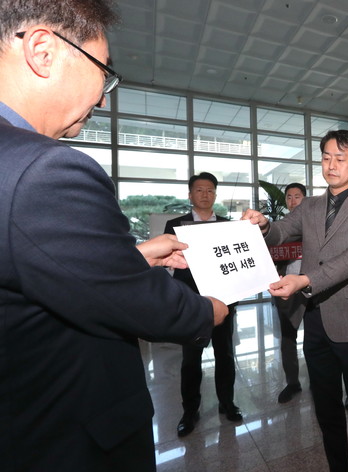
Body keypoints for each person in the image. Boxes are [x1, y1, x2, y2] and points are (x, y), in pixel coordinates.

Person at [0, 2, 229, 470]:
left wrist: (135, 255)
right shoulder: (43, 169)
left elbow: (39, 263)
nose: (103, 99)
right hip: (71, 436)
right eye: (102, 73)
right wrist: (208, 311)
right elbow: (143, 305)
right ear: (43, 51)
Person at [242, 130, 348, 472]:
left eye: (340, 158)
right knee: (325, 406)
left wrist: (305, 280)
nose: (331, 165)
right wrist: (264, 225)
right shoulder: (310, 205)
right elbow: (281, 232)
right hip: (316, 319)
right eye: (326, 157)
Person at [164, 172, 242, 437]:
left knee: (225, 355)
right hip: (191, 304)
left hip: (223, 301)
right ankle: (190, 411)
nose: (205, 194)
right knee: (191, 359)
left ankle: (227, 403)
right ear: (190, 195)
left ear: (215, 194)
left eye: (210, 190)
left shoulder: (228, 226)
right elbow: (168, 267)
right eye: (199, 190)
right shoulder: (176, 226)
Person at [274, 182, 307, 404]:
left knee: (316, 338)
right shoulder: (279, 228)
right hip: (286, 288)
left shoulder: (315, 225)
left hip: (312, 287)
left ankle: (320, 378)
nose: (293, 201)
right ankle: (292, 383)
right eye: (289, 197)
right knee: (288, 338)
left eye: (297, 196)